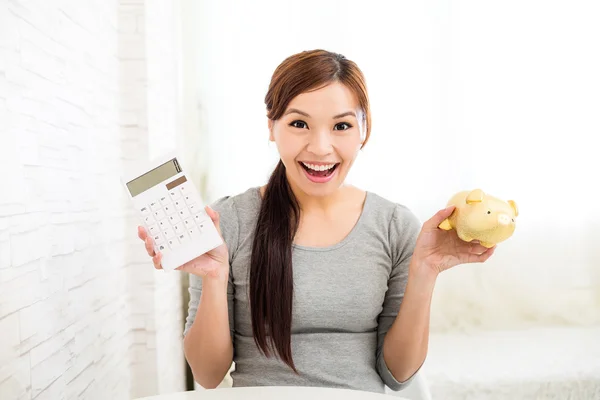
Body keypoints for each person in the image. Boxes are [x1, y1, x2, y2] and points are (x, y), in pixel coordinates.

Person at [137, 49, 496, 394]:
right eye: (299, 124)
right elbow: (208, 374)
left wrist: (425, 271)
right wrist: (214, 277)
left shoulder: (394, 225)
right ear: (271, 127)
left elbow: (398, 374)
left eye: (341, 126)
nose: (321, 147)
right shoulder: (229, 220)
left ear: (362, 131)